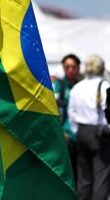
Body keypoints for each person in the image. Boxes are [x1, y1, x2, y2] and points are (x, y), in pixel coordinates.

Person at [68, 55, 110, 200]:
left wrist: (76, 131)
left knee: (84, 177)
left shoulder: (77, 87)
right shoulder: (104, 86)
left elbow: (71, 112)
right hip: (99, 133)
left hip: (81, 132)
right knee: (101, 175)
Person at [53, 53, 81, 181]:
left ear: (78, 68)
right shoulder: (59, 85)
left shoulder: (81, 86)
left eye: (73, 67)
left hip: (79, 135)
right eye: (67, 67)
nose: (70, 70)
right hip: (65, 134)